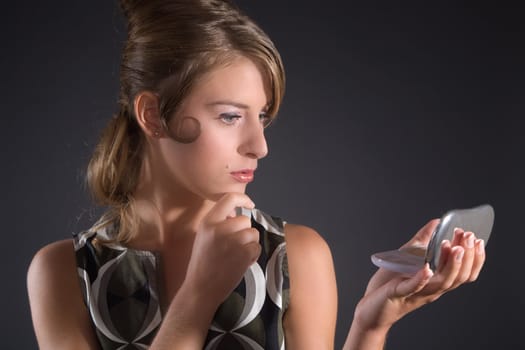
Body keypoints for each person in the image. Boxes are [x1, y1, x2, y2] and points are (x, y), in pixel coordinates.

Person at [27, 0, 486, 349]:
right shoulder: (64, 273)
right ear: (153, 115)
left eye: (261, 117)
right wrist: (196, 299)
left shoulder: (294, 257)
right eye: (230, 116)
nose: (259, 146)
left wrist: (371, 324)